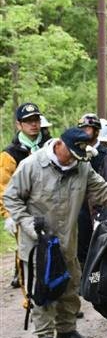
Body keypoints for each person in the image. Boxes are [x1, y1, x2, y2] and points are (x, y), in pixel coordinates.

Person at [3, 128, 107, 338]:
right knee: (44, 288)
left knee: (70, 284)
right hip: (39, 244)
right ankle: (45, 337)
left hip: (68, 240)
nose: (75, 161)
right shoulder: (32, 166)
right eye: (72, 155)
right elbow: (11, 197)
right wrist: (28, 225)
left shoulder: (82, 167)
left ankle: (67, 330)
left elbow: (104, 192)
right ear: (59, 145)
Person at [1, 103, 51, 289]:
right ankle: (30, 298)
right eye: (28, 121)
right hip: (23, 212)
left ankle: (57, 298)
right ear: (18, 124)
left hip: (51, 209)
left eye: (36, 120)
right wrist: (9, 215)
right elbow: (3, 188)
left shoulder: (50, 146)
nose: (33, 124)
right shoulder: (10, 154)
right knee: (27, 256)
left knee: (55, 253)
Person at [76, 113, 107, 266]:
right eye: (82, 128)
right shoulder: (76, 151)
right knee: (80, 244)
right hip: (80, 205)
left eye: (87, 128)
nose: (84, 132)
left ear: (96, 131)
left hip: (99, 204)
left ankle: (95, 281)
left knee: (97, 246)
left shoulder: (105, 153)